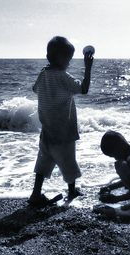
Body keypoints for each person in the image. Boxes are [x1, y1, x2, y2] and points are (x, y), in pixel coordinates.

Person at [28, 36, 94, 207]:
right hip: (64, 129)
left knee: (43, 161)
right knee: (68, 160)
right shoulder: (63, 76)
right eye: (69, 59)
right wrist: (88, 68)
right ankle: (71, 191)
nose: (69, 63)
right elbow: (84, 89)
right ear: (60, 58)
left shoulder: (43, 74)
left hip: (47, 129)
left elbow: (35, 89)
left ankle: (36, 193)